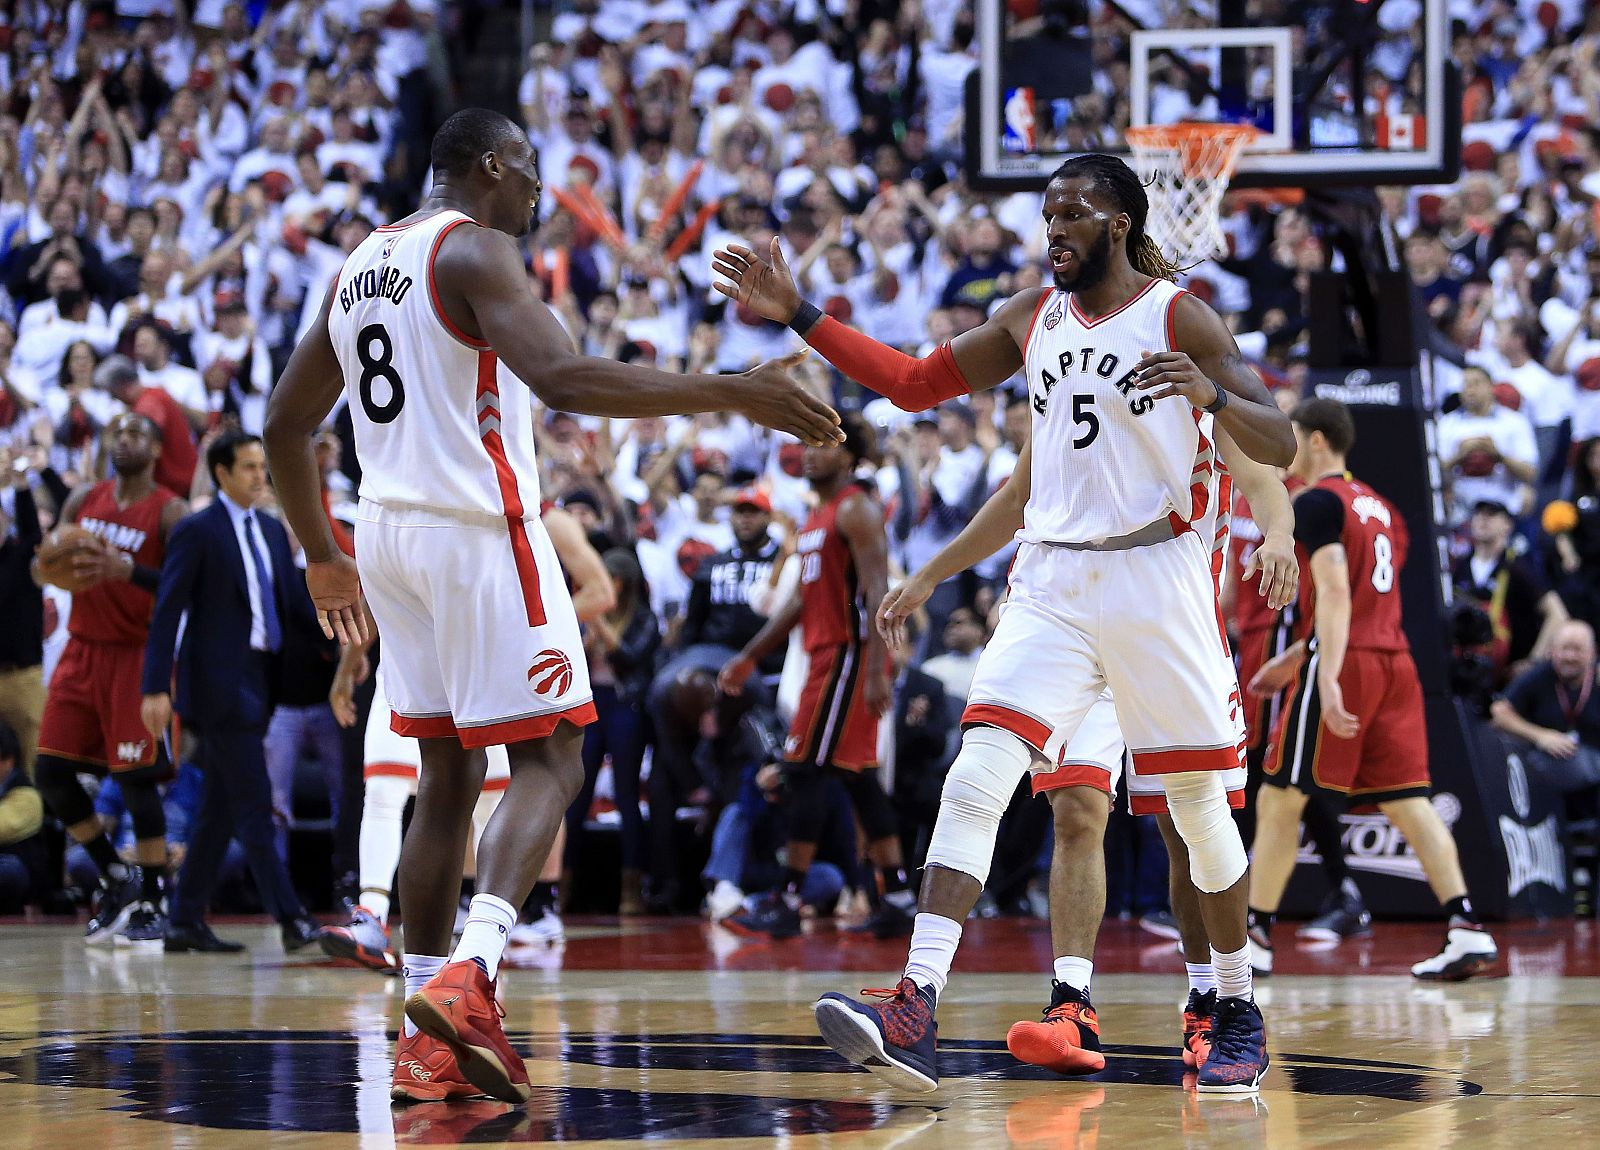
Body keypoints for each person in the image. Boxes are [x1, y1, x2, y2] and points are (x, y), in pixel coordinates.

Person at [262, 107, 840, 1106]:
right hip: (477, 528)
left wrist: (322, 555)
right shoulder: (474, 249)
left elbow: (282, 422)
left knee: (446, 776)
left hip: (386, 535)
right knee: (557, 755)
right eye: (532, 170)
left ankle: (423, 1035)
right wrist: (733, 390)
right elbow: (564, 378)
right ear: (491, 165)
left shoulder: (361, 261)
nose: (543, 193)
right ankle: (472, 971)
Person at [713, 151, 1294, 1094]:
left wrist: (1215, 394)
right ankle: (916, 1002)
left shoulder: (1178, 316)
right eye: (1047, 214)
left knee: (1195, 809)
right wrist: (801, 315)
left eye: (1073, 214)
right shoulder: (1032, 317)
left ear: (1119, 222)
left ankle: (1232, 1005)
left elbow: (1278, 440)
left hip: (1158, 576)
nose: (1053, 229)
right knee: (978, 771)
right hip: (1052, 578)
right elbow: (911, 384)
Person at [1247, 398, 1499, 982]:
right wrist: (1296, 657)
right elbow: (1368, 603)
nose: (1285, 445)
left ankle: (1254, 937)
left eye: (1292, 432)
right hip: (1394, 661)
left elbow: (1337, 591)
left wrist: (1326, 673)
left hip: (1349, 662)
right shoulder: (1382, 508)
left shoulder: (1315, 502)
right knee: (1407, 800)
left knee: (1280, 796)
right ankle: (1466, 927)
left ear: (1316, 440)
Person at [320, 503, 614, 977]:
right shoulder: (402, 502)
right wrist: (349, 663)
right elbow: (379, 594)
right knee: (390, 788)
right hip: (420, 654)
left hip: (495, 654)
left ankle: (490, 936)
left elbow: (601, 591)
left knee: (492, 796)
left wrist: (536, 627)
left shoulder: (543, 517)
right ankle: (374, 916)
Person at [719, 413, 913, 940]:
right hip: (824, 656)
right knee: (857, 775)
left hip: (849, 656)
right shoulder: (814, 518)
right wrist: (750, 655)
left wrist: (878, 668)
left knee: (804, 770)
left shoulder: (855, 508)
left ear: (849, 456)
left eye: (822, 444)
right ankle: (898, 897)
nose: (809, 452)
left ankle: (787, 898)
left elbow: (877, 592)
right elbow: (799, 604)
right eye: (805, 443)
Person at [140, 430, 325, 955]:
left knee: (220, 807)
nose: (259, 476)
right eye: (248, 467)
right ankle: (291, 918)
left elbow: (293, 604)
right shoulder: (197, 530)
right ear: (221, 473)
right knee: (254, 802)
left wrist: (340, 643)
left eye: (262, 467)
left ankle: (182, 919)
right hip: (219, 685)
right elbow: (168, 608)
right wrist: (154, 685)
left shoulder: (270, 530)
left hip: (263, 678)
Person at [32, 412, 186, 948]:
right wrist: (46, 565)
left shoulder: (170, 510)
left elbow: (183, 585)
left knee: (136, 778)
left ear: (157, 447)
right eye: (117, 432)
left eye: (136, 433)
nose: (124, 440)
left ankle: (153, 899)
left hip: (135, 654)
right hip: (81, 648)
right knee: (50, 771)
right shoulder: (83, 500)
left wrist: (130, 572)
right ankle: (116, 875)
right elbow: (44, 563)